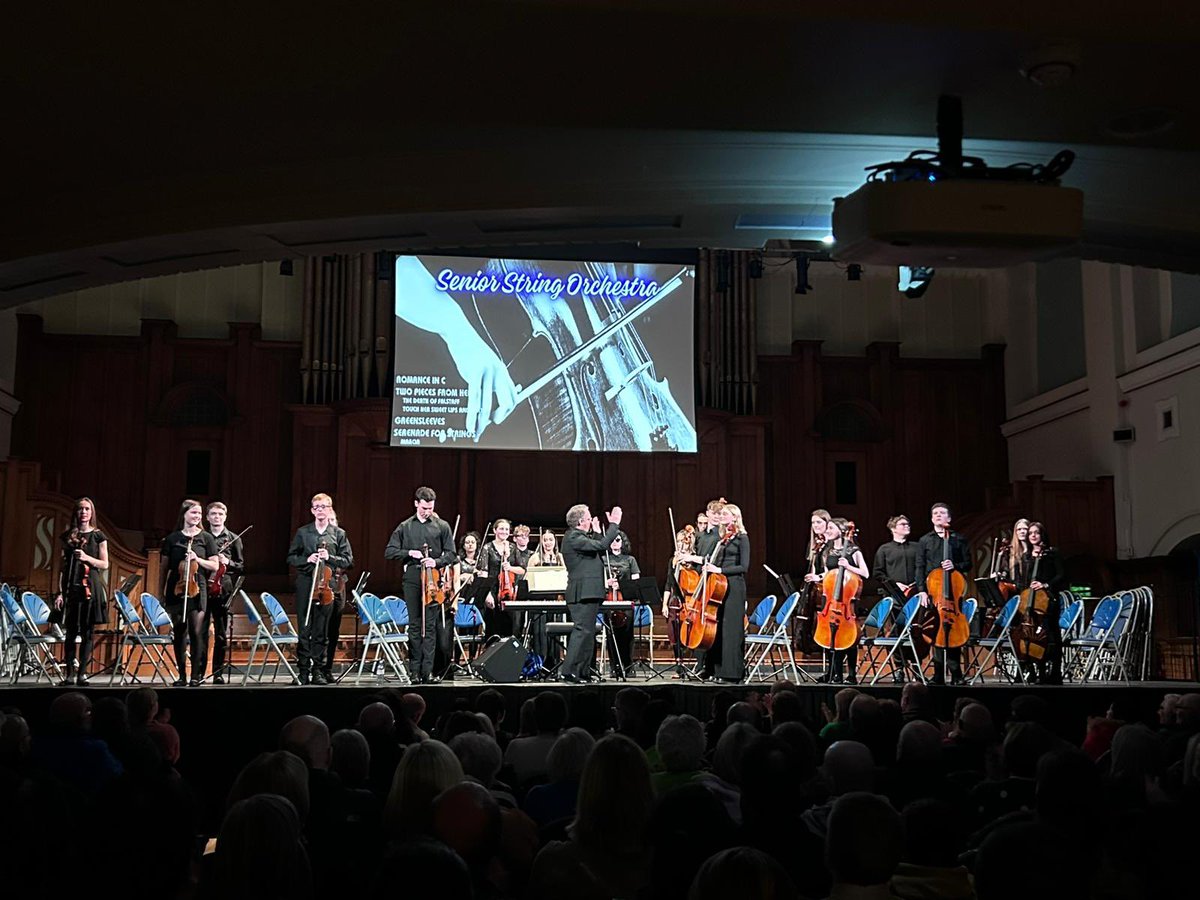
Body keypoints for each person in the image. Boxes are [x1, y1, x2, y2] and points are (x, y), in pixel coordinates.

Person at [383, 486, 457, 684]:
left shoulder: (442, 526)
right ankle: (414, 672)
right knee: (415, 625)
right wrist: (409, 553)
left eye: (430, 508)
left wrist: (436, 562)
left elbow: (451, 554)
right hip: (413, 578)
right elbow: (389, 551)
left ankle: (428, 672)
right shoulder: (405, 526)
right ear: (416, 504)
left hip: (433, 579)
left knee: (430, 627)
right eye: (424, 508)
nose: (427, 511)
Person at [286, 493, 354, 685]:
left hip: (327, 585)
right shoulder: (303, 532)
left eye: (323, 507)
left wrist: (329, 558)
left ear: (329, 508)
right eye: (316, 507)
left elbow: (348, 560)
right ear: (312, 510)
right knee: (305, 627)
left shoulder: (338, 534)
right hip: (306, 582)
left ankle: (318, 671)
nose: (320, 510)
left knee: (321, 630)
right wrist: (307, 559)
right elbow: (291, 557)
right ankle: (303, 671)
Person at [161, 499, 221, 686]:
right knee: (179, 631)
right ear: (184, 514)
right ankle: (181, 676)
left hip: (198, 588)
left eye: (199, 514)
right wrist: (160, 592)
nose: (196, 517)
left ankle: (196, 675)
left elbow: (215, 565)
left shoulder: (206, 538)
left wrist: (197, 559)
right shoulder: (172, 539)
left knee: (195, 631)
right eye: (193, 513)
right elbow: (164, 568)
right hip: (177, 588)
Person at [560, 503, 622, 683]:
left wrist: (596, 531)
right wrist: (614, 524)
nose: (590, 520)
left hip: (590, 592)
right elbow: (602, 544)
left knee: (588, 634)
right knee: (582, 631)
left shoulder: (581, 538)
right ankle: (569, 671)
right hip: (582, 593)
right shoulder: (573, 537)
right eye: (588, 518)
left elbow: (599, 547)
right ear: (581, 521)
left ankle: (583, 671)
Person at [53, 496, 109, 686]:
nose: (83, 512)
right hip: (71, 585)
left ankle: (83, 673)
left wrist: (86, 557)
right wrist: (60, 592)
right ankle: (69, 673)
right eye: (80, 509)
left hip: (90, 587)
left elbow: (104, 564)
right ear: (76, 512)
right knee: (70, 631)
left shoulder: (98, 536)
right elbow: (62, 566)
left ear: (91, 513)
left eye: (87, 509)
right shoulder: (68, 536)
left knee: (87, 631)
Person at [915, 501, 972, 685]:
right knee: (936, 632)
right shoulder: (925, 540)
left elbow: (968, 564)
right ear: (932, 518)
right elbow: (920, 567)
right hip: (934, 593)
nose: (939, 516)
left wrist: (955, 566)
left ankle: (956, 674)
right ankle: (938, 674)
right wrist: (922, 591)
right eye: (935, 513)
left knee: (953, 631)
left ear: (949, 518)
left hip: (952, 595)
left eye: (942, 513)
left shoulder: (958, 539)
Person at [806, 518, 869, 684]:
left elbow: (865, 572)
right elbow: (828, 574)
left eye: (831, 528)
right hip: (832, 599)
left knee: (850, 639)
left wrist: (848, 566)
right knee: (833, 639)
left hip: (848, 600)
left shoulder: (853, 550)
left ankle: (852, 675)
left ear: (841, 530)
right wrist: (817, 577)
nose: (827, 531)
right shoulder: (828, 551)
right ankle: (836, 674)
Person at [699, 502, 751, 684]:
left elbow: (743, 567)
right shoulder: (723, 538)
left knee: (731, 630)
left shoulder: (742, 538)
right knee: (718, 629)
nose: (721, 517)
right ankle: (716, 670)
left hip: (734, 587)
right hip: (719, 586)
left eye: (725, 514)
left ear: (735, 517)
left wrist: (719, 570)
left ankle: (732, 673)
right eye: (720, 514)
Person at [1017, 521, 1066, 685]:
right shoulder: (1027, 556)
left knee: (1051, 634)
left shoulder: (1052, 554)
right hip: (1032, 601)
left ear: (1042, 535)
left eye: (1036, 533)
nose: (1033, 536)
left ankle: (1054, 672)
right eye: (1030, 533)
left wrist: (1045, 585)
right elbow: (1024, 580)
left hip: (1048, 599)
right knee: (1031, 635)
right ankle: (1034, 669)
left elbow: (1061, 575)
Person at [871, 514, 918, 683]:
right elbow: (878, 573)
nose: (907, 526)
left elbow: (922, 569)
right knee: (896, 634)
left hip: (914, 596)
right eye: (903, 524)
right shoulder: (884, 549)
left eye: (908, 523)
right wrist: (895, 584)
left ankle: (916, 667)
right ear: (893, 528)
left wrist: (914, 585)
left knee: (915, 633)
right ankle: (900, 669)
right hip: (894, 596)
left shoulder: (916, 547)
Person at [204, 501, 244, 685]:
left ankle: (217, 672)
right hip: (202, 586)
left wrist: (228, 562)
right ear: (207, 517)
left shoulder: (234, 538)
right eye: (213, 514)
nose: (216, 517)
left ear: (225, 516)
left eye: (220, 514)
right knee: (200, 632)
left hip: (223, 588)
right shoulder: (202, 538)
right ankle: (198, 672)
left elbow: (241, 566)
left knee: (220, 633)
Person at [603, 531, 640, 678]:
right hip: (610, 599)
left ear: (622, 541)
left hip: (625, 599)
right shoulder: (604, 558)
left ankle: (628, 665)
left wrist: (622, 585)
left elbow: (636, 580)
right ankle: (614, 666)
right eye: (612, 540)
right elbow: (599, 578)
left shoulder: (630, 560)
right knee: (611, 634)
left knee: (627, 634)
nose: (615, 542)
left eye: (617, 540)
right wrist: (607, 583)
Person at [480, 518, 525, 638]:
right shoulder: (487, 548)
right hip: (493, 590)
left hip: (509, 592)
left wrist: (510, 568)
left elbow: (522, 569)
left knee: (511, 628)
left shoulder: (513, 548)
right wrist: (487, 593)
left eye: (506, 529)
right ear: (495, 530)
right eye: (501, 529)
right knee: (493, 627)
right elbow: (483, 572)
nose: (504, 531)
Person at [661, 526, 695, 673]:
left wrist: (684, 566)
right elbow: (669, 583)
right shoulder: (673, 561)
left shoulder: (693, 560)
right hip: (674, 601)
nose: (681, 545)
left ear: (689, 544)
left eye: (684, 542)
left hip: (689, 602)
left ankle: (693, 663)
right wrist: (665, 604)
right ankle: (678, 664)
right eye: (678, 542)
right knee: (673, 633)